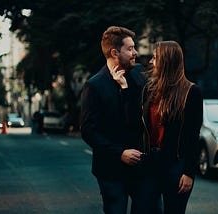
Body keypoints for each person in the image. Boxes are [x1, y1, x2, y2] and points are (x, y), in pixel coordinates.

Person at [80, 26, 147, 214]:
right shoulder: (95, 85)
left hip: (141, 165)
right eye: (130, 48)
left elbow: (139, 118)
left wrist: (125, 89)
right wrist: (119, 153)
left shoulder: (139, 74)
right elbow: (88, 131)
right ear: (114, 52)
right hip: (111, 169)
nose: (135, 53)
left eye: (134, 47)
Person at [141, 41, 203, 213]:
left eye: (155, 58)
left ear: (167, 61)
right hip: (150, 163)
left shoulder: (191, 92)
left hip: (176, 165)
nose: (152, 62)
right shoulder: (149, 89)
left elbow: (192, 136)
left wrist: (189, 172)